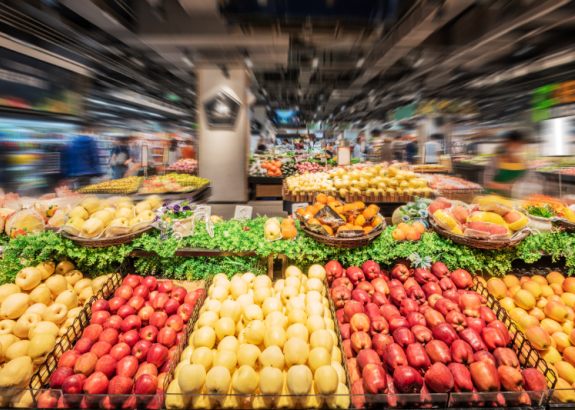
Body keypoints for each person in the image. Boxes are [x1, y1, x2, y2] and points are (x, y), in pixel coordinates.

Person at [484, 130, 526, 197]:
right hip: (491, 198)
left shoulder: (521, 160)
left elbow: (524, 179)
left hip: (509, 199)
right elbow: (487, 183)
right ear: (508, 143)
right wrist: (505, 186)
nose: (518, 148)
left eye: (520, 145)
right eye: (516, 145)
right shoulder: (496, 159)